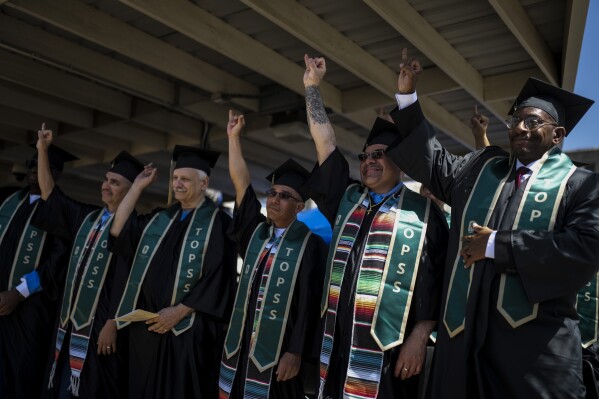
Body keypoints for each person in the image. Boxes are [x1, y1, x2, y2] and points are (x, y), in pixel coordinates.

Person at [387, 48, 599, 398]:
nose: (519, 128)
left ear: (558, 135)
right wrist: (408, 96)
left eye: (533, 122)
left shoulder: (580, 185)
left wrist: (497, 245)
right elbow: (433, 162)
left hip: (533, 356)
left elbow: (585, 249)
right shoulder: (483, 168)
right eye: (515, 120)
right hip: (462, 347)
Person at [302, 54, 448, 399]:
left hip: (389, 351)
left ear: (400, 162)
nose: (368, 162)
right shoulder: (348, 199)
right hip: (335, 343)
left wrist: (420, 336)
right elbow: (326, 143)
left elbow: (439, 280)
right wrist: (311, 89)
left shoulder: (423, 214)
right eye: (365, 157)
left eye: (378, 155)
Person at [111, 145, 236, 399]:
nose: (177, 184)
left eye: (185, 179)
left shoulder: (219, 223)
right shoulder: (160, 218)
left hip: (188, 333)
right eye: (175, 178)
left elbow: (219, 277)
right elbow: (118, 231)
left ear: (204, 184)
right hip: (147, 329)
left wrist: (178, 312)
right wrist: (136, 187)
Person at [219, 111, 326, 399]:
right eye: (273, 192)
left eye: (284, 196)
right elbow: (241, 185)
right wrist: (234, 139)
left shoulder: (309, 244)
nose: (274, 199)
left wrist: (296, 351)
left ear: (300, 206)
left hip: (278, 354)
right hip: (241, 345)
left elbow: (309, 302)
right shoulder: (257, 234)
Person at [36, 127, 144, 398]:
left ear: (132, 191)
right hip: (70, 324)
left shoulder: (137, 229)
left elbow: (131, 281)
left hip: (101, 328)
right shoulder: (85, 217)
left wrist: (114, 323)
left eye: (115, 182)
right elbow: (51, 194)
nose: (106, 185)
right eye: (106, 179)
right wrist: (42, 150)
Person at [0, 144, 75, 399]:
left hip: (29, 310)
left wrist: (18, 294)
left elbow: (57, 263)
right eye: (32, 164)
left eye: (44, 166)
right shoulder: (9, 200)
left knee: (20, 374)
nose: (35, 170)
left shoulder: (60, 210)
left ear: (56, 174)